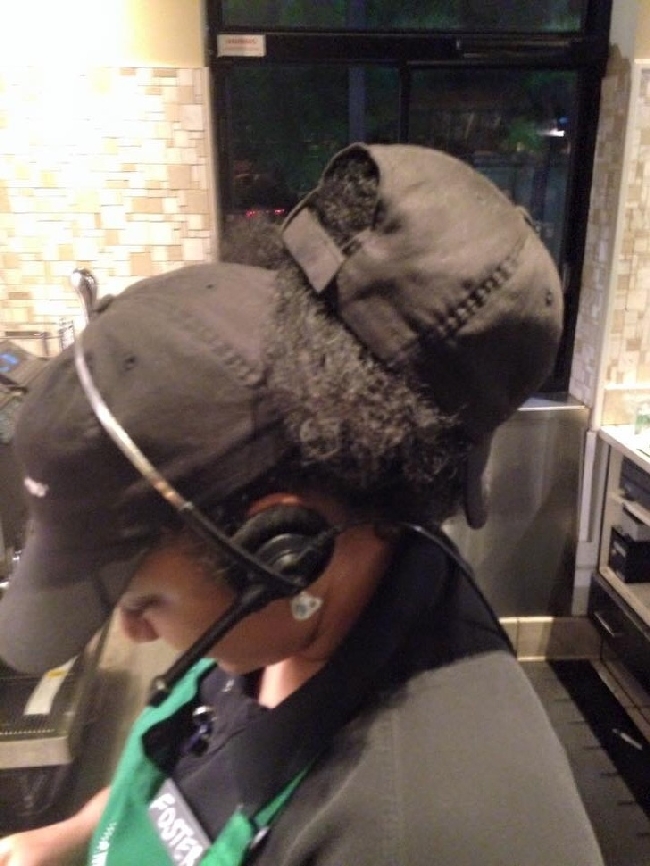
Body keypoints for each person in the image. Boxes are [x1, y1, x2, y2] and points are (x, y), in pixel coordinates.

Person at [0, 143, 605, 865]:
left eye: (144, 600)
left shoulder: (425, 835)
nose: (130, 630)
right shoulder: (278, 607)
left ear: (281, 549)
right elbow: (191, 772)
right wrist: (58, 842)